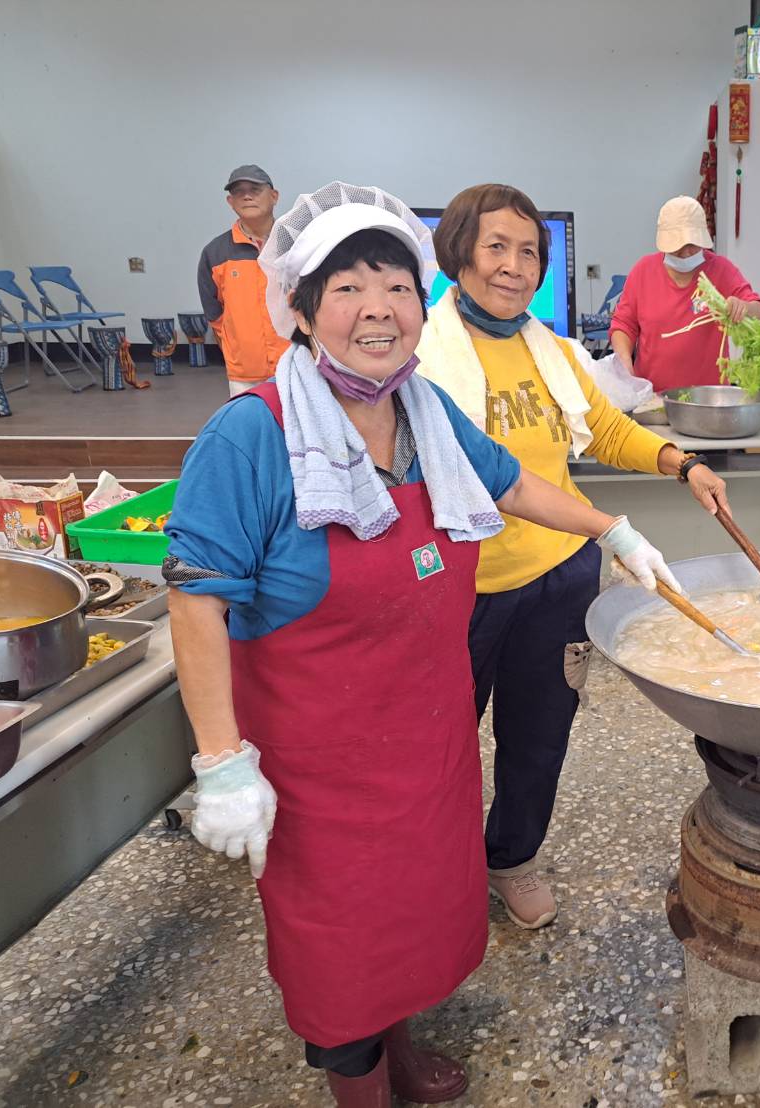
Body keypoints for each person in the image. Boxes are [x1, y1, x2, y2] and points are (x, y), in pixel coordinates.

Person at [164, 182, 678, 1106]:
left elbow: (512, 483)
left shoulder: (424, 412)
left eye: (396, 286)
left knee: (413, 915)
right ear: (302, 308)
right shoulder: (252, 436)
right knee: (342, 946)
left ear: (418, 300)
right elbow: (196, 599)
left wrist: (612, 530)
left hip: (426, 746)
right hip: (321, 770)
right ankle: (361, 1084)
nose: (378, 309)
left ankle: (398, 1045)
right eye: (348, 288)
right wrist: (221, 763)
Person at [415, 183, 729, 931]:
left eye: (529, 252)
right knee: (439, 743)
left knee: (538, 735)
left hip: (558, 580)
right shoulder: (419, 355)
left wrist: (681, 463)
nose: (514, 265)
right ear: (458, 253)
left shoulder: (552, 352)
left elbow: (606, 429)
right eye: (496, 247)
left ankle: (512, 858)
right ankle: (435, 872)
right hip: (461, 587)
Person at [609, 195, 760, 393]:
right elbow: (623, 324)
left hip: (710, 399)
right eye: (678, 247)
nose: (685, 253)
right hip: (653, 398)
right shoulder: (643, 271)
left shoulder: (721, 270)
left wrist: (745, 308)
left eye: (692, 245)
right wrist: (624, 361)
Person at [197, 165, 291, 397]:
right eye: (239, 192)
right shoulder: (215, 253)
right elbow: (215, 314)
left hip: (296, 365)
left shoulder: (295, 245)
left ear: (274, 196)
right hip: (244, 374)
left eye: (255, 189)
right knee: (249, 420)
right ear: (230, 201)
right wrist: (238, 348)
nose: (247, 196)